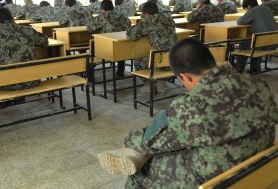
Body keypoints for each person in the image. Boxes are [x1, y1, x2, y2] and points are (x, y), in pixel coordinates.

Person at [98, 37, 278, 189]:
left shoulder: (193, 105)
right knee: (180, 138)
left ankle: (134, 155)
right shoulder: (257, 84)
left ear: (185, 77)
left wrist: (130, 140)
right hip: (258, 160)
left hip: (217, 175)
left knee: (140, 171)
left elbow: (151, 139)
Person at [0, 8, 48, 91]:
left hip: (9, 83)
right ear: (12, 18)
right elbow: (44, 42)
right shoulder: (27, 29)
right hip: (32, 81)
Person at [126, 2, 177, 94]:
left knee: (138, 60)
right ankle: (161, 84)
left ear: (146, 14)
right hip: (173, 57)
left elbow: (131, 35)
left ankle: (149, 85)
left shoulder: (148, 21)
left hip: (159, 59)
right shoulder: (169, 19)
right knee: (160, 57)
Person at [87, 0, 131, 78]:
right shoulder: (122, 16)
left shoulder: (103, 16)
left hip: (107, 47)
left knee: (93, 45)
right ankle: (120, 70)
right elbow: (129, 25)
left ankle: (89, 74)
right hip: (123, 46)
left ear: (103, 10)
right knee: (119, 45)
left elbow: (90, 28)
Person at [236, 0, 278, 73]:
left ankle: (239, 69)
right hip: (274, 43)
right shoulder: (266, 9)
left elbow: (240, 21)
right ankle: (255, 68)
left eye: (246, 9)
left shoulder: (253, 11)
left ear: (249, 6)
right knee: (257, 42)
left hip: (264, 44)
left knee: (244, 42)